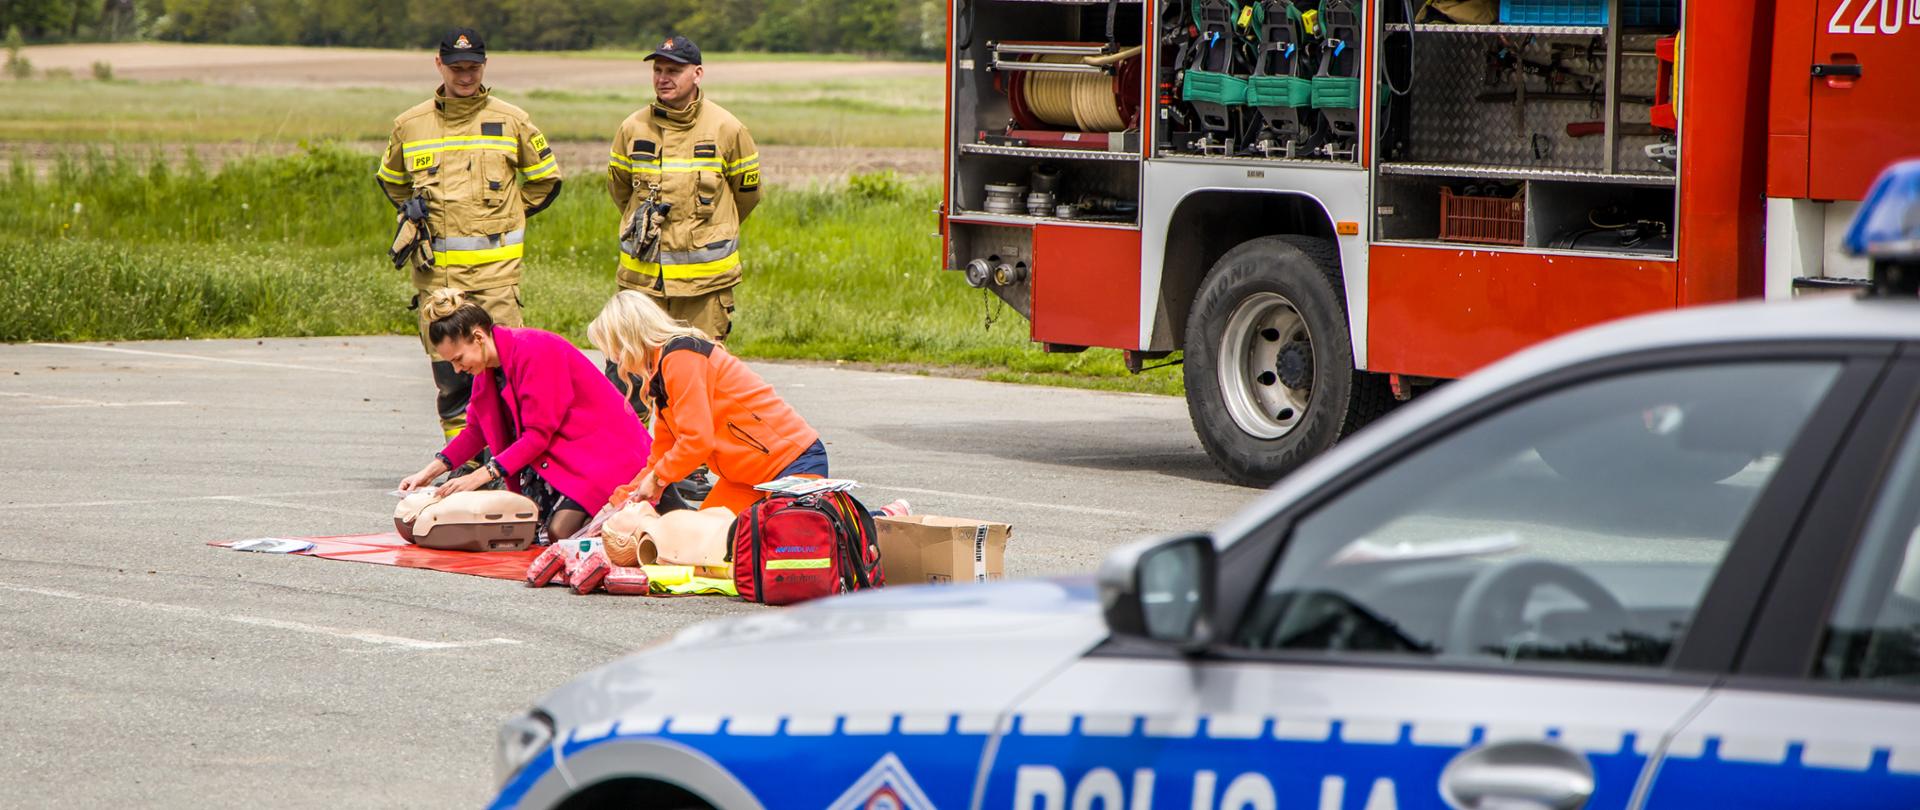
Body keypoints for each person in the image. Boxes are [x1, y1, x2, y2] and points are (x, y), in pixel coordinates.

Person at [378, 27, 564, 446]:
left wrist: (509, 212)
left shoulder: (512, 120)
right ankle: (462, 460)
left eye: (473, 68)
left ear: (485, 66)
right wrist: (413, 213)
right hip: (439, 281)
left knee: (507, 378)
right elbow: (392, 181)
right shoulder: (410, 125)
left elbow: (545, 180)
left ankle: (508, 460)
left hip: (496, 279)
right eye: (457, 67)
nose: (465, 76)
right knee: (452, 380)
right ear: (439, 64)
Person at [398, 291, 648, 540]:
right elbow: (476, 431)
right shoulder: (487, 369)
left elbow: (537, 436)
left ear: (479, 337)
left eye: (458, 359)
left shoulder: (534, 350)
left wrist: (479, 476)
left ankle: (631, 522)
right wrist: (428, 473)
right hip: (567, 455)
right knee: (529, 528)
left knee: (560, 532)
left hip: (603, 455)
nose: (456, 369)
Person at [604, 34, 762, 414]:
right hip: (643, 284)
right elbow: (621, 192)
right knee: (629, 379)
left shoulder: (728, 129)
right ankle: (632, 449)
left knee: (696, 384)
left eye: (673, 71)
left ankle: (689, 453)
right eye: (658, 70)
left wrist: (708, 233)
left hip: (704, 289)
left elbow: (747, 195)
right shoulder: (632, 128)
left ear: (698, 74)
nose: (663, 78)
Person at [588, 291, 821, 516]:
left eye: (613, 351)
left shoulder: (681, 358)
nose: (616, 361)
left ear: (627, 341)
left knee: (760, 537)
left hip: (791, 463)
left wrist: (658, 478)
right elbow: (662, 452)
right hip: (744, 478)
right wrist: (618, 502)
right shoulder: (662, 373)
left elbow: (697, 441)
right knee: (701, 536)